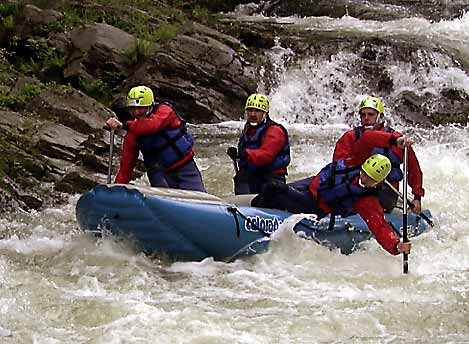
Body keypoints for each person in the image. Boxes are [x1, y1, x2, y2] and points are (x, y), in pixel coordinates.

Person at [252, 130, 413, 256]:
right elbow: (368, 138)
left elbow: (380, 227)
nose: (364, 178)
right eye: (364, 173)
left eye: (370, 179)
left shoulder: (366, 201)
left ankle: (254, 218)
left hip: (314, 203)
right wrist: (394, 140)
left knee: (274, 187)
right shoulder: (357, 159)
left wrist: (396, 246)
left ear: (378, 183)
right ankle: (256, 209)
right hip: (313, 184)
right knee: (274, 188)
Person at [105, 85, 206, 192]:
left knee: (201, 199)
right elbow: (126, 167)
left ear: (150, 105)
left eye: (140, 108)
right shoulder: (132, 133)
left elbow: (152, 125)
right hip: (159, 173)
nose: (136, 113)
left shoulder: (165, 111)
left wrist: (123, 125)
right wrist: (115, 189)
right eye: (132, 108)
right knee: (166, 200)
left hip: (184, 167)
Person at [333, 96, 424, 213]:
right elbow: (337, 168)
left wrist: (417, 198)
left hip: (386, 191)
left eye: (370, 114)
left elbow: (413, 170)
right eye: (363, 115)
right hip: (356, 187)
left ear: (380, 116)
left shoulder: (397, 140)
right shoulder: (350, 137)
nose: (366, 118)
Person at [226, 93, 290, 194]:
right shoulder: (248, 130)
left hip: (271, 179)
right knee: (241, 179)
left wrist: (245, 154)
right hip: (251, 177)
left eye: (257, 111)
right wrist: (236, 155)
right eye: (250, 110)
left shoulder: (275, 131)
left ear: (265, 113)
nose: (253, 114)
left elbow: (266, 155)